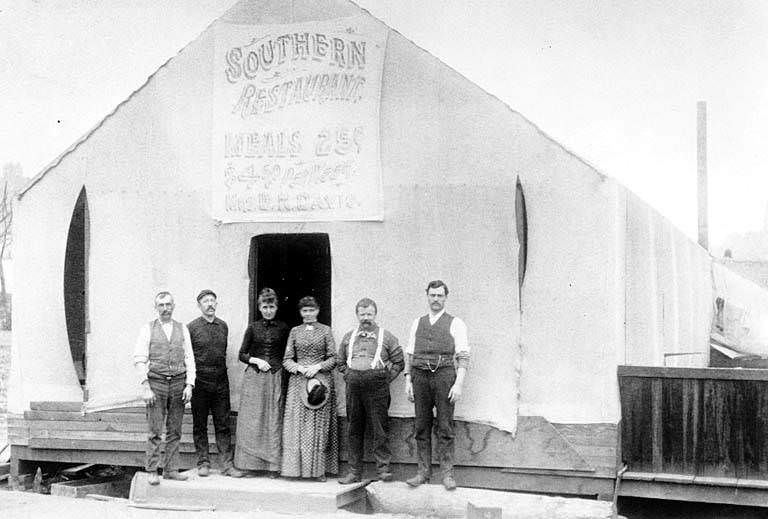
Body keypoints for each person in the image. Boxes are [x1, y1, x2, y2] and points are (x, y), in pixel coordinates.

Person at [404, 280, 469, 491]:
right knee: (421, 426)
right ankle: (423, 472)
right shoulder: (418, 323)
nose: (436, 299)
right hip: (420, 378)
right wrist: (408, 380)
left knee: (445, 426)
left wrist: (458, 384)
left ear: (445, 298)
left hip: (444, 377)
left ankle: (447, 474)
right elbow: (410, 354)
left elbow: (463, 355)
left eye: (440, 296)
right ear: (427, 296)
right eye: (432, 295)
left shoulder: (455, 323)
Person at [337, 298, 404, 484]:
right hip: (354, 387)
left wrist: (384, 378)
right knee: (354, 429)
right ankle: (353, 472)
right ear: (357, 315)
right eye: (362, 314)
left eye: (369, 314)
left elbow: (399, 362)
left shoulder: (386, 336)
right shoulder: (349, 337)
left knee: (379, 428)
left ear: (375, 315)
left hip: (377, 388)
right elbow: (340, 362)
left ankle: (383, 470)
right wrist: (350, 375)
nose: (366, 318)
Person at [134, 291, 196, 485]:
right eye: (161, 305)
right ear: (156, 308)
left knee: (175, 430)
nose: (165, 309)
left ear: (173, 306)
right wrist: (146, 386)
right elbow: (139, 359)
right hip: (157, 383)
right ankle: (152, 470)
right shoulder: (148, 329)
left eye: (168, 305)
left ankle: (171, 470)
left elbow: (189, 358)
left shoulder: (182, 329)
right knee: (154, 430)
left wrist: (189, 384)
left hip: (178, 383)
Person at [281, 296, 338, 480]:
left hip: (320, 381)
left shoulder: (326, 331)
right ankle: (294, 471)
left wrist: (317, 367)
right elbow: (287, 359)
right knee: (297, 426)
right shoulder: (295, 331)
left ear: (318, 311)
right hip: (298, 381)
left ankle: (318, 471)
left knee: (317, 426)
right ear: (300, 312)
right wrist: (299, 368)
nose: (308, 314)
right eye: (304, 311)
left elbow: (333, 358)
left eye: (311, 310)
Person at [234, 287, 290, 476]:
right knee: (253, 420)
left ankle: (272, 466)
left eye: (271, 306)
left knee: (272, 419)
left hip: (275, 377)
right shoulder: (253, 327)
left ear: (276, 307)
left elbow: (288, 354)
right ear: (259, 308)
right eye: (265, 307)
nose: (268, 310)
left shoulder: (283, 328)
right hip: (255, 378)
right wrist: (256, 360)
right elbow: (241, 354)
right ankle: (250, 465)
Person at [187, 289, 242, 478]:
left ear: (216, 304)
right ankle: (203, 463)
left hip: (220, 382)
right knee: (199, 424)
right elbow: (187, 357)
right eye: (205, 301)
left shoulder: (223, 326)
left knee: (223, 424)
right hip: (200, 382)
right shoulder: (191, 328)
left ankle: (227, 465)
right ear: (199, 306)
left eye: (212, 301)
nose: (210, 304)